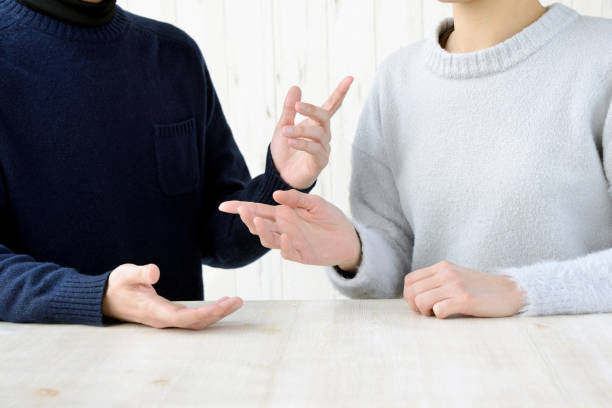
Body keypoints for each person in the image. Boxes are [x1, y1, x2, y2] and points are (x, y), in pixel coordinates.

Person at [222, 0, 612, 318]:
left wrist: (518, 290)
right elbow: (398, 267)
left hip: (572, 374)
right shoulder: (399, 78)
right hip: (432, 374)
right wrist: (355, 250)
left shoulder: (600, 56)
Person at [0, 0, 352, 328]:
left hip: (174, 368)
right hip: (41, 374)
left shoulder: (172, 54)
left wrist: (280, 182)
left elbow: (219, 240)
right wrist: (101, 295)